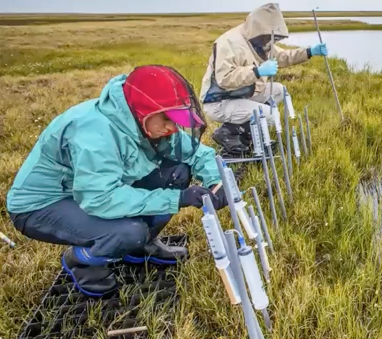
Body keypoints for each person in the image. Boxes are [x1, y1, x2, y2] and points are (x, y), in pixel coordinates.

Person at [6, 65, 229, 297]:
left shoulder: (145, 120)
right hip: (43, 204)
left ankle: (141, 246)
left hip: (93, 190)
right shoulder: (95, 134)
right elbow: (101, 199)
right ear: (146, 112)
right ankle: (81, 261)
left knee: (178, 172)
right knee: (128, 232)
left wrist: (215, 181)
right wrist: (177, 198)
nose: (173, 127)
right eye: (167, 119)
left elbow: (197, 153)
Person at [199, 2, 329, 157]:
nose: (269, 40)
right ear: (259, 28)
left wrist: (309, 52)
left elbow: (281, 56)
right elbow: (224, 79)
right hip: (219, 101)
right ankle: (228, 135)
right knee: (269, 114)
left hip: (242, 93)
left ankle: (245, 134)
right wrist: (257, 71)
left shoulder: (260, 41)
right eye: (267, 36)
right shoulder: (228, 43)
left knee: (280, 91)